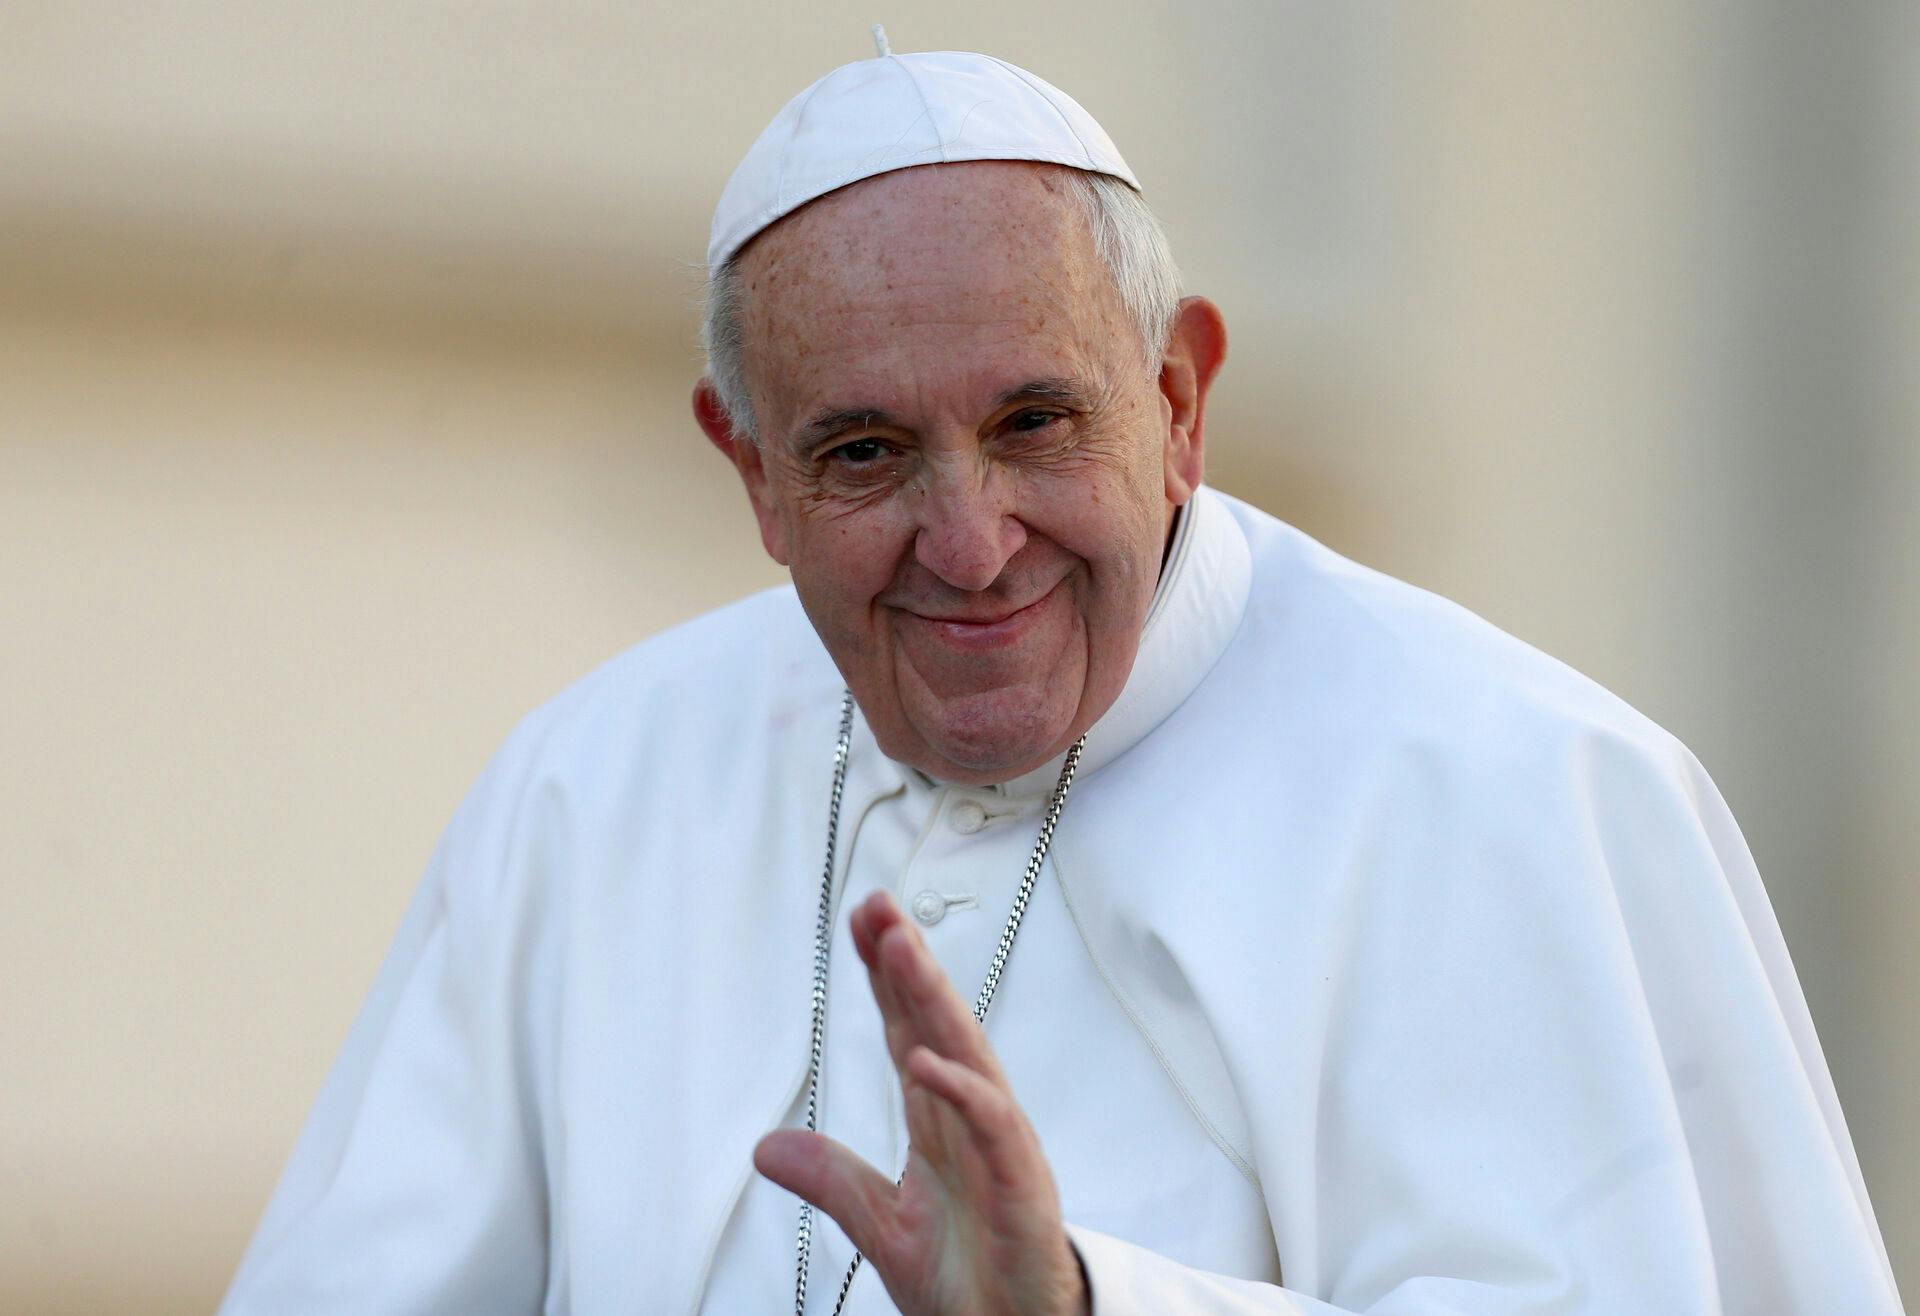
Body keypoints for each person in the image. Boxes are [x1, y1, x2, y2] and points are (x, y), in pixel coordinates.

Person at [221, 42, 1903, 1316]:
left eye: (1036, 424)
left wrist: (1084, 1306)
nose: (971, 542)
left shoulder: (1514, 786)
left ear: (1178, 403)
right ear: (750, 476)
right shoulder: (588, 793)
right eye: (867, 454)